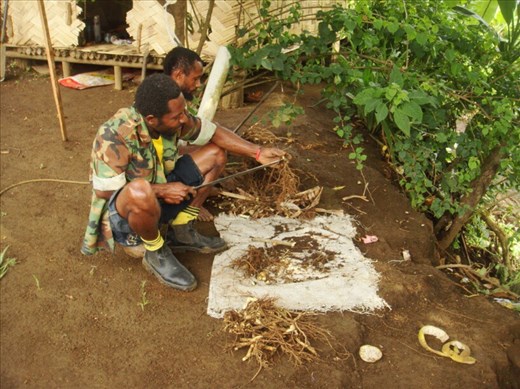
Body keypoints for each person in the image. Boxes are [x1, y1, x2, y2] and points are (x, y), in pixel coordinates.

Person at [81, 73, 285, 292]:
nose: (183, 120)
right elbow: (108, 194)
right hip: (127, 219)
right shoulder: (113, 134)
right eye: (177, 117)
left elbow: (214, 132)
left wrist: (257, 152)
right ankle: (155, 251)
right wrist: (162, 190)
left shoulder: (171, 119)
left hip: (158, 197)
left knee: (216, 153)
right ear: (151, 119)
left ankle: (182, 230)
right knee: (139, 191)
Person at [163, 47, 214, 221]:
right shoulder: (160, 106)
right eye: (196, 79)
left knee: (212, 151)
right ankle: (184, 214)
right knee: (214, 154)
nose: (198, 85)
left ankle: (188, 212)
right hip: (151, 182)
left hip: (160, 172)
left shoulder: (176, 101)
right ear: (178, 75)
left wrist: (256, 152)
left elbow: (209, 131)